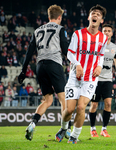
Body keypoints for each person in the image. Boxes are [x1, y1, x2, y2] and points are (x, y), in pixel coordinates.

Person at [55, 4, 107, 144]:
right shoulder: (78, 34)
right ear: (89, 17)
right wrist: (77, 64)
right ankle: (63, 128)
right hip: (75, 77)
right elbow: (70, 53)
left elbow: (101, 55)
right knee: (69, 110)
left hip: (90, 79)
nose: (95, 15)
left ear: (101, 20)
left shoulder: (103, 38)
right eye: (93, 13)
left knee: (81, 107)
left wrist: (100, 66)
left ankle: (74, 136)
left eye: (98, 14)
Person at [17, 4, 68, 141]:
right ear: (59, 17)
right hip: (54, 64)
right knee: (64, 99)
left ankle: (33, 123)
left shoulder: (38, 30)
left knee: (48, 100)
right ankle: (66, 129)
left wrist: (23, 71)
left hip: (40, 66)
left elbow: (29, 52)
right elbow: (65, 49)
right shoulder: (60, 29)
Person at [89, 24, 116, 137]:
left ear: (112, 33)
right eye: (105, 31)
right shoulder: (95, 45)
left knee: (108, 103)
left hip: (108, 80)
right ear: (101, 32)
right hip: (95, 79)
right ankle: (92, 128)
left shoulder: (114, 47)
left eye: (109, 31)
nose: (107, 32)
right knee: (94, 105)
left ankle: (104, 129)